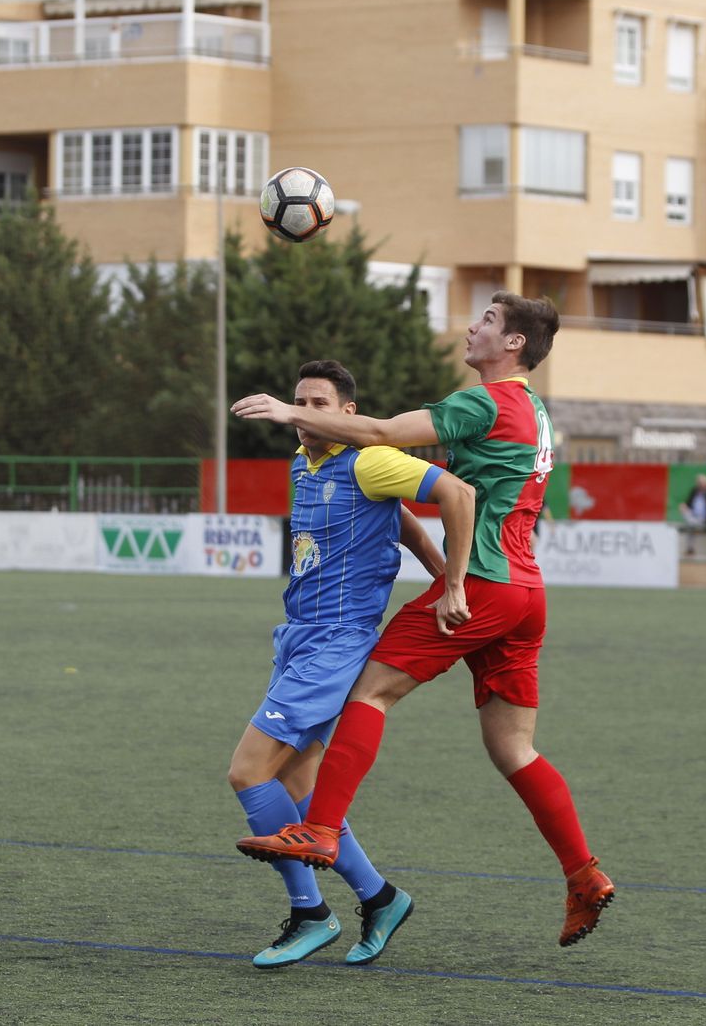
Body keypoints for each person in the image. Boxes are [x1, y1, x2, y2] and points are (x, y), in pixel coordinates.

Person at [229, 292, 616, 947]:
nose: (472, 327)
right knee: (513, 747)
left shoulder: (486, 400)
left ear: (515, 343)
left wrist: (288, 409)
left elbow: (381, 435)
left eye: (488, 321)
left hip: (487, 583)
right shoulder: (535, 412)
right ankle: (582, 873)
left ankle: (321, 828)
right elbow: (454, 480)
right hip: (526, 590)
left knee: (368, 690)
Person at [226, 359, 476, 969]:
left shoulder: (369, 458)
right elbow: (405, 522)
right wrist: (434, 568)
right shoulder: (304, 462)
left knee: (248, 770)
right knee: (299, 783)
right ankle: (381, 898)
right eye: (297, 401)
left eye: (318, 403)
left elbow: (457, 493)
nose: (303, 412)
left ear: (348, 413)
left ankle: (311, 912)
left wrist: (456, 585)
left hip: (337, 642)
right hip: (297, 636)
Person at [678, 473, 706, 557]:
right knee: (688, 519)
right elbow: (688, 503)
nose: (701, 485)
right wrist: (684, 506)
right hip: (694, 517)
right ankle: (690, 548)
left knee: (691, 525)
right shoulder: (694, 491)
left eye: (703, 483)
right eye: (700, 483)